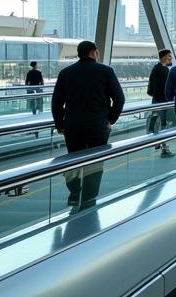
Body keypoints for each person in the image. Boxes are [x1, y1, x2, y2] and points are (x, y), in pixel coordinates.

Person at [51, 40, 125, 209]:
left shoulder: (66, 73)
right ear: (95, 52)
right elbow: (119, 99)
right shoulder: (106, 71)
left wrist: (60, 124)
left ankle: (74, 193)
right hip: (98, 126)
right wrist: (110, 119)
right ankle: (89, 198)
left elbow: (56, 103)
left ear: (79, 53)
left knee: (74, 159)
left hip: (73, 126)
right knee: (95, 162)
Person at [146, 49, 175, 158]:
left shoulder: (155, 68)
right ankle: (164, 148)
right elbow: (167, 88)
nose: (170, 59)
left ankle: (160, 144)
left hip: (156, 101)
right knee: (164, 125)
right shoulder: (165, 71)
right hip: (164, 102)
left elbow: (150, 89)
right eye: (169, 57)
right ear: (163, 57)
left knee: (159, 124)